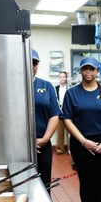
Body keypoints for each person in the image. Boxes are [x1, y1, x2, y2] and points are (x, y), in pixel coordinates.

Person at [62, 57, 101, 202]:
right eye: (85, 69)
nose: (88, 72)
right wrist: (83, 141)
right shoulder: (72, 93)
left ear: (98, 71)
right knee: (86, 182)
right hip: (81, 143)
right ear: (80, 71)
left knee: (100, 182)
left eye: (92, 69)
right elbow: (67, 119)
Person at [31, 49, 61, 189]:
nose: (32, 67)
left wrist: (44, 139)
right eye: (28, 62)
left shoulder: (46, 86)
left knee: (44, 185)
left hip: (43, 144)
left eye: (34, 63)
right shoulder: (11, 85)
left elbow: (54, 115)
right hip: (19, 147)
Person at [55, 70, 70, 155]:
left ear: (66, 78)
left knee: (70, 133)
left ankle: (70, 149)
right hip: (59, 114)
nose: (62, 78)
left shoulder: (70, 88)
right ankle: (60, 149)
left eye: (64, 77)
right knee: (60, 133)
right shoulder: (56, 88)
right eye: (60, 77)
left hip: (68, 114)